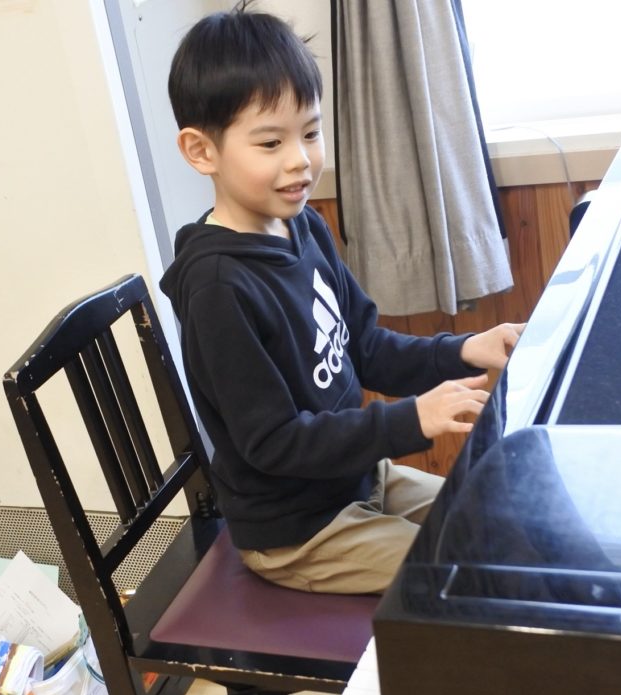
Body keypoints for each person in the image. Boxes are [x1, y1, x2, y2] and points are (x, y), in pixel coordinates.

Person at [159, 5, 524, 595]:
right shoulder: (219, 290)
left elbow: (367, 348)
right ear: (202, 151)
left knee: (500, 521)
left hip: (357, 480)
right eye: (271, 142)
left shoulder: (303, 226)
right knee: (473, 572)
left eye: (310, 132)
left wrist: (464, 351)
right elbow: (273, 443)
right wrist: (411, 419)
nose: (300, 159)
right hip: (298, 531)